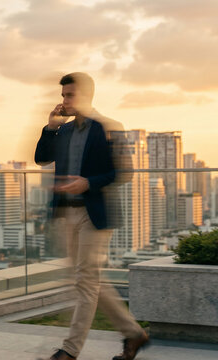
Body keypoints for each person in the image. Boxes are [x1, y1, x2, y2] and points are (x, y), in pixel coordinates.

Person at [34, 72, 149, 360]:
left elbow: (123, 172)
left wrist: (89, 182)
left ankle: (69, 351)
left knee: (85, 282)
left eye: (69, 95)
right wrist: (50, 127)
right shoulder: (65, 130)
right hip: (66, 214)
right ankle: (134, 334)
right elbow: (42, 159)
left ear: (85, 96)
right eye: (62, 95)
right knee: (89, 281)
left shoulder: (109, 128)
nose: (64, 100)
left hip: (94, 215)